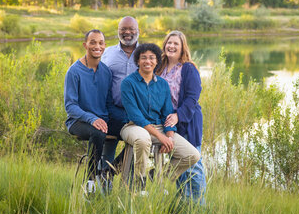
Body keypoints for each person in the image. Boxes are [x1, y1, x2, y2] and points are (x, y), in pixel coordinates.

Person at [120, 43, 200, 192]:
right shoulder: (128, 83)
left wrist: (169, 137)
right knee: (143, 138)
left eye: (152, 58)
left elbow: (167, 114)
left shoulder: (162, 84)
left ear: (157, 61)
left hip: (159, 129)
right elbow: (136, 116)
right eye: (143, 58)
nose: (147, 61)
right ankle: (140, 185)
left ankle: (160, 178)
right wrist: (160, 137)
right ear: (138, 61)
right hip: (133, 127)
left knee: (192, 155)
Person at [157, 30, 206, 205]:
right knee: (180, 164)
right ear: (164, 45)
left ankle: (198, 207)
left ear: (182, 47)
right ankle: (184, 205)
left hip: (188, 121)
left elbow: (193, 97)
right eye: (169, 43)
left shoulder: (188, 68)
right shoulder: (159, 66)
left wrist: (179, 116)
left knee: (194, 166)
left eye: (175, 44)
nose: (171, 46)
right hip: (168, 123)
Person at [64, 29, 114, 195]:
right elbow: (70, 106)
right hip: (78, 121)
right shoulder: (74, 71)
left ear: (105, 46)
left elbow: (107, 103)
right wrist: (92, 119)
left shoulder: (106, 72)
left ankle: (108, 173)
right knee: (98, 132)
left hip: (100, 120)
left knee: (134, 133)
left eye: (100, 42)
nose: (97, 46)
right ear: (85, 45)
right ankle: (91, 181)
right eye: (93, 42)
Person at [101, 16, 139, 167]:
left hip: (137, 114)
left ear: (138, 31)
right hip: (112, 112)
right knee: (107, 148)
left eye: (131, 29)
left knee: (136, 147)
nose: (127, 32)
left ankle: (125, 185)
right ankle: (104, 183)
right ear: (118, 31)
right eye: (123, 29)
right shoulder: (107, 53)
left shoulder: (146, 54)